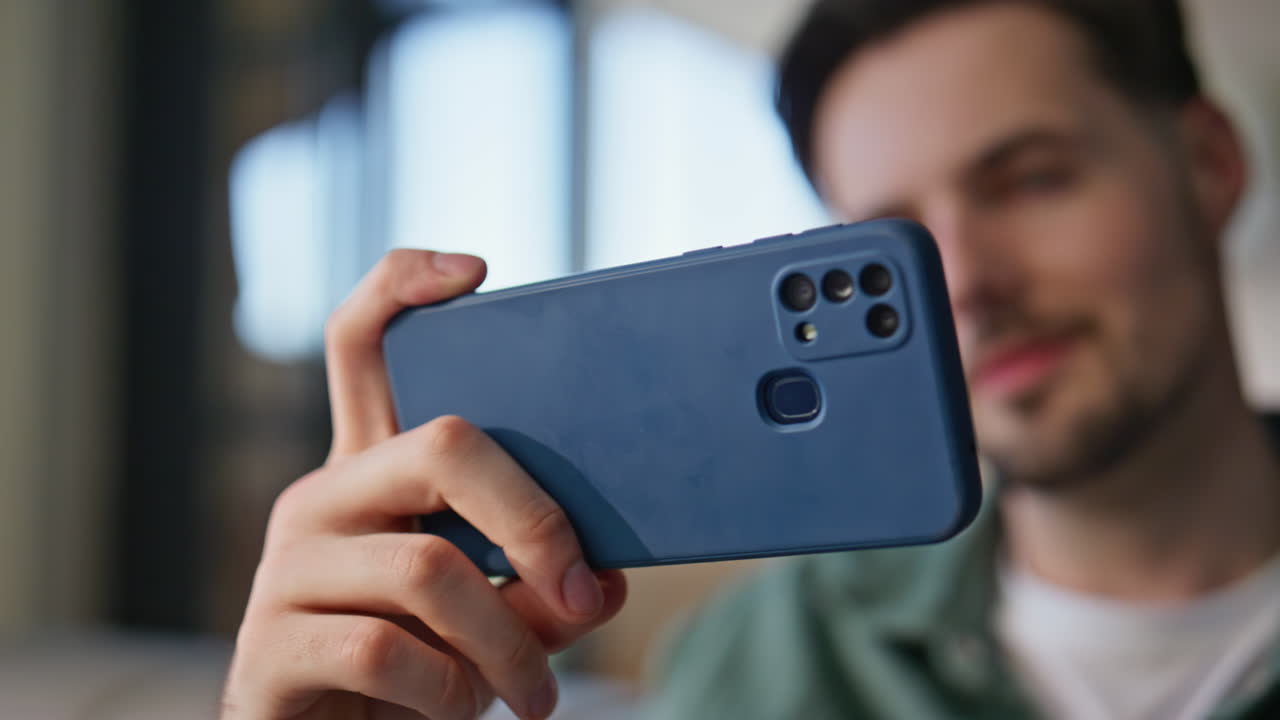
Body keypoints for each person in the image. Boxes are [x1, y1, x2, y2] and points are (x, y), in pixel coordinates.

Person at [220, 1, 1280, 718]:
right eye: (886, 244)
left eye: (1030, 181)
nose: (961, 281)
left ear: (1208, 165)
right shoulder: (760, 667)